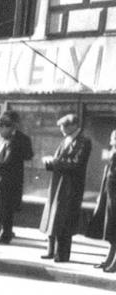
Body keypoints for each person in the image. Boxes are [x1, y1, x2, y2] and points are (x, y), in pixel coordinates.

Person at [39, 113, 92, 263]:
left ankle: (61, 254)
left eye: (64, 126)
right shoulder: (66, 140)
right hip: (58, 183)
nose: (61, 129)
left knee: (64, 219)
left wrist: (55, 162)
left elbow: (77, 164)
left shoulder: (83, 141)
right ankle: (51, 250)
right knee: (53, 216)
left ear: (73, 125)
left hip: (70, 186)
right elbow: (61, 160)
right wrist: (50, 162)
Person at [0, 111, 33, 245]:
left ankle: (5, 235)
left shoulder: (20, 139)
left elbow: (27, 156)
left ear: (12, 126)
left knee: (4, 208)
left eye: (3, 125)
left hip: (8, 179)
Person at [87, 129, 116, 272]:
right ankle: (109, 259)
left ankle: (114, 263)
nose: (111, 141)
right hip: (110, 195)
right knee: (111, 229)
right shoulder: (113, 152)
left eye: (114, 138)